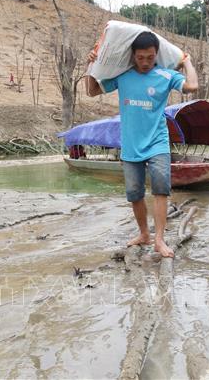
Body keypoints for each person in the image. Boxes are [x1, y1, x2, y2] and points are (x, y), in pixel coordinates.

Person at [85, 32, 198, 258]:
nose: (145, 62)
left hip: (158, 143)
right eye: (140, 58)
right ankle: (144, 234)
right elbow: (91, 91)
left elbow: (192, 86)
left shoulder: (166, 75)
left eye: (150, 57)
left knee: (160, 189)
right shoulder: (123, 76)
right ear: (132, 56)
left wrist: (187, 62)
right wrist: (91, 65)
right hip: (131, 145)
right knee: (134, 193)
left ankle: (159, 240)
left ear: (156, 55)